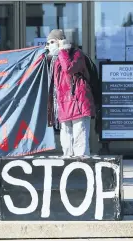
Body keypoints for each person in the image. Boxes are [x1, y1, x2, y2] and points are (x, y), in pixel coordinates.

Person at [45, 29, 95, 157]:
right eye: (47, 43)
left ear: (61, 41)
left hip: (78, 100)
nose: (49, 45)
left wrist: (62, 50)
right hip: (64, 101)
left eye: (52, 42)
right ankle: (68, 161)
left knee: (80, 136)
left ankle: (82, 163)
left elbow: (69, 68)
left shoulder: (77, 54)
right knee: (66, 136)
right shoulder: (54, 59)